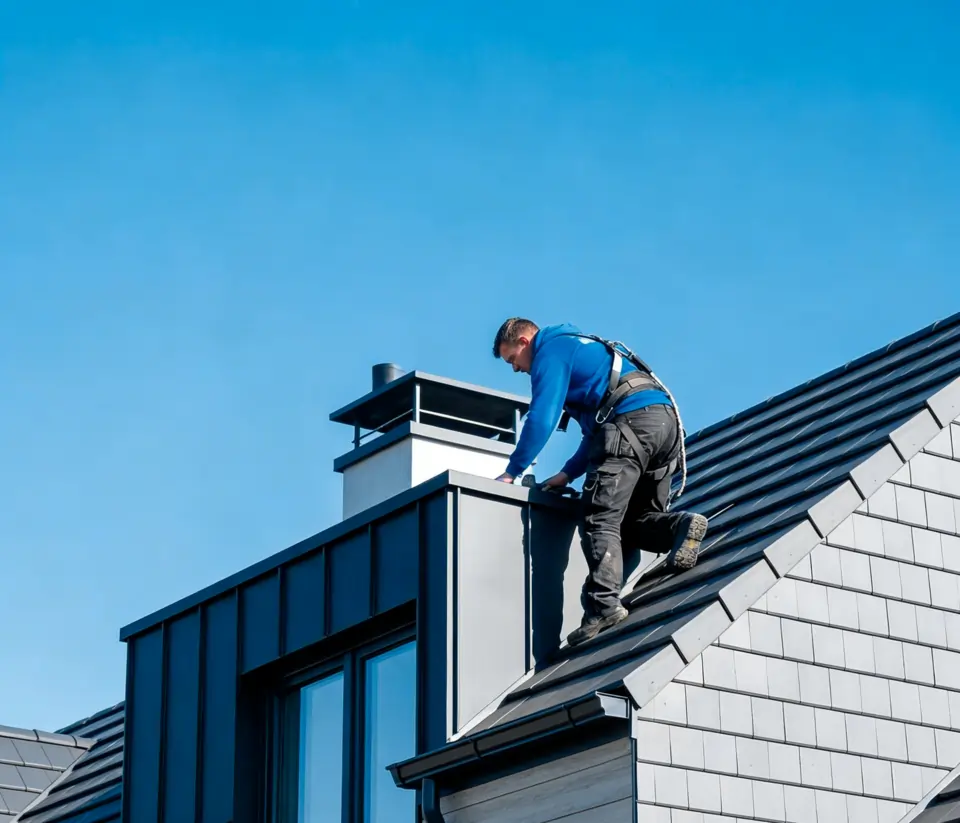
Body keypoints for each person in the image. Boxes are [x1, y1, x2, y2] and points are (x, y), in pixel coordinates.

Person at [492, 318, 708, 646]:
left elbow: (542, 416)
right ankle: (680, 526)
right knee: (630, 524)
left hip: (631, 423)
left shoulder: (551, 351)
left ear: (524, 342)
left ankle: (603, 606)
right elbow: (596, 433)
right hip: (663, 426)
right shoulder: (581, 349)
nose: (516, 369)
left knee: (598, 517)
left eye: (512, 359)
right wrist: (567, 474)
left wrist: (512, 471)